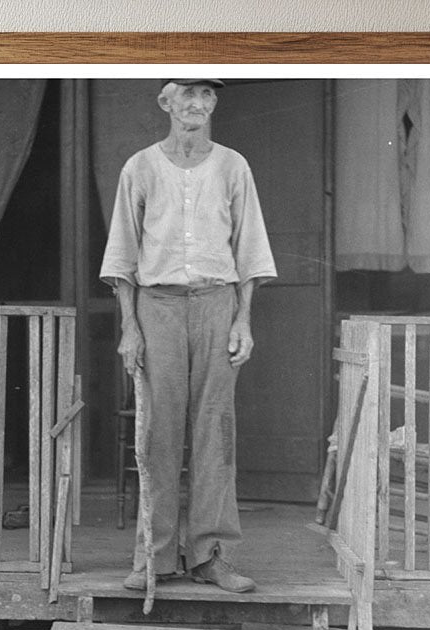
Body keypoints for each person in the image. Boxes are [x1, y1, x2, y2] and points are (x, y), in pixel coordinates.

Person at [99, 78, 277, 594]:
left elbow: (250, 250)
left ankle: (211, 556)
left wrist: (242, 320)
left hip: (217, 305)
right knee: (157, 435)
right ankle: (154, 559)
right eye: (187, 94)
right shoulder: (140, 167)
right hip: (157, 308)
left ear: (214, 104)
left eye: (206, 95)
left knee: (215, 431)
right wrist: (131, 328)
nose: (196, 104)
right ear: (165, 103)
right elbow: (123, 257)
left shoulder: (232, 166)